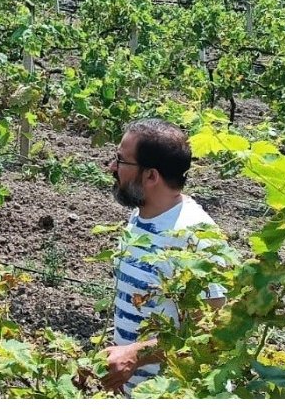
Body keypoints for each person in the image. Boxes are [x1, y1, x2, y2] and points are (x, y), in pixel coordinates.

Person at [100, 119, 227, 396]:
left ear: (151, 176)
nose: (112, 167)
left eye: (121, 160)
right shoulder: (141, 216)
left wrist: (135, 353)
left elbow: (210, 334)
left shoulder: (196, 239)